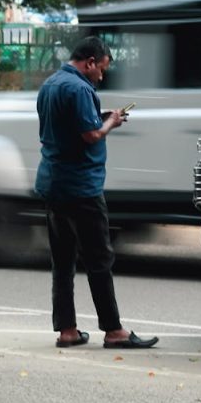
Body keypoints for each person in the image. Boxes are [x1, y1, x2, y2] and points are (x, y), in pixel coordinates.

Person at [34, 36, 158, 349]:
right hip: (81, 187)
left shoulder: (50, 84)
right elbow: (90, 135)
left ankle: (67, 330)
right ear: (90, 62)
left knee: (62, 261)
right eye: (101, 69)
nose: (101, 76)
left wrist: (102, 117)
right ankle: (114, 331)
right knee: (99, 259)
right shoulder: (79, 88)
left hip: (53, 183)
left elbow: (68, 126)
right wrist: (111, 124)